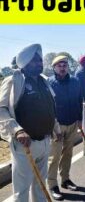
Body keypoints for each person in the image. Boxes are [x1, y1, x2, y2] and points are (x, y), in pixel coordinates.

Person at [0, 44, 61, 202]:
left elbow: (50, 107)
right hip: (25, 144)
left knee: (40, 186)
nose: (40, 63)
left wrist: (56, 129)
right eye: (35, 60)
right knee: (22, 190)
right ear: (24, 63)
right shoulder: (14, 80)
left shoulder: (44, 81)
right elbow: (1, 109)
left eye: (40, 60)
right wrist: (17, 130)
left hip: (45, 141)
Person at [47, 55, 83, 201]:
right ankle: (52, 184)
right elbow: (47, 105)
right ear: (54, 67)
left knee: (68, 153)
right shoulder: (48, 83)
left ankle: (65, 179)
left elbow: (79, 100)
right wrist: (53, 126)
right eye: (59, 65)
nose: (62, 67)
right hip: (57, 125)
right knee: (54, 156)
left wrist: (80, 119)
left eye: (65, 65)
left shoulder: (75, 81)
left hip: (73, 122)